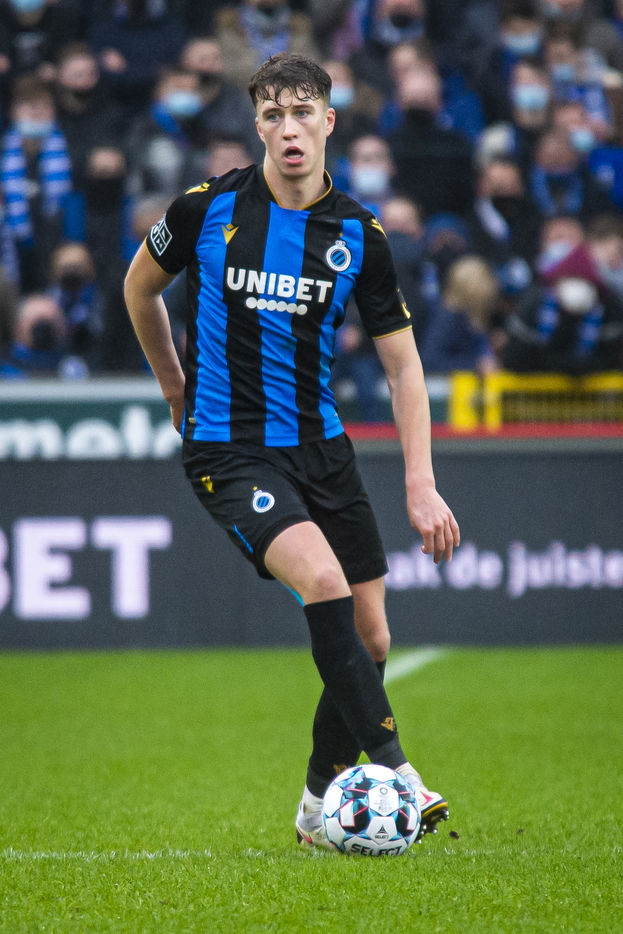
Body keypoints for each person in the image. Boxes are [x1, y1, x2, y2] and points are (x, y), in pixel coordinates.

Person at [124, 52, 460, 850]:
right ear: (258, 127)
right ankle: (400, 774)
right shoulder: (206, 208)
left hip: (323, 450)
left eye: (302, 111)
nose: (288, 128)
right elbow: (139, 288)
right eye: (272, 115)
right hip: (228, 450)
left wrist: (421, 485)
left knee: (371, 640)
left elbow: (403, 367)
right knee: (322, 582)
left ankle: (315, 808)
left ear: (327, 121)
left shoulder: (358, 234)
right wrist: (172, 384)